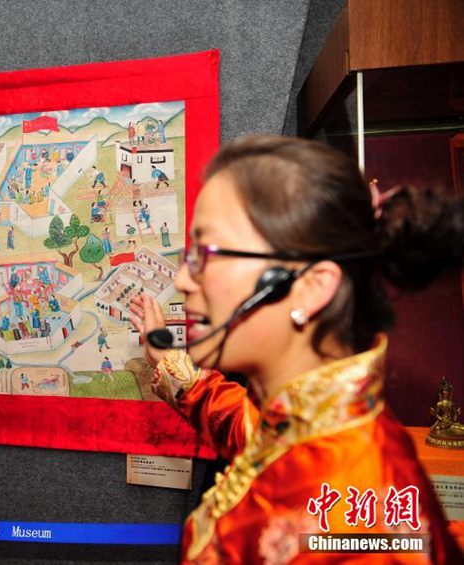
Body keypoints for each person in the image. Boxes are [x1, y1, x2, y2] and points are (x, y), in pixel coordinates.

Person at [130, 135, 463, 564]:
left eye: (207, 254)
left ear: (310, 287)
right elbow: (249, 430)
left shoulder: (352, 514)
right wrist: (171, 366)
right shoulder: (306, 427)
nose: (182, 280)